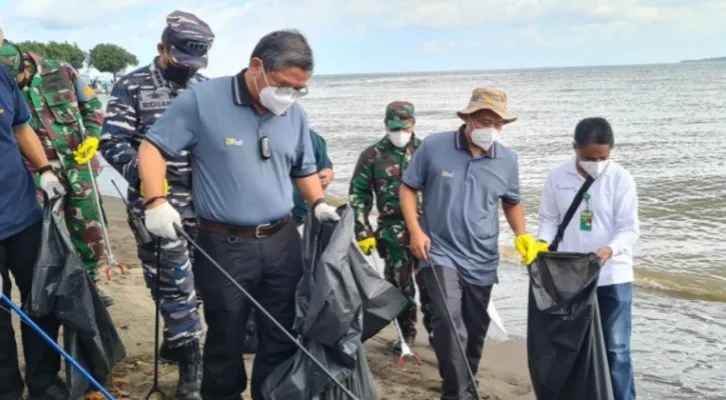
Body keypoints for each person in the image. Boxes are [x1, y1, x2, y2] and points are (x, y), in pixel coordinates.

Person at [137, 29, 340, 400]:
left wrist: (318, 203)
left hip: (282, 242)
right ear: (256, 66)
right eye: (283, 85)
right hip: (225, 245)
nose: (290, 96)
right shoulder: (202, 100)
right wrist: (155, 201)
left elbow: (302, 169)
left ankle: (271, 394)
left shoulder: (293, 114)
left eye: (299, 89)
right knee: (225, 336)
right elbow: (152, 148)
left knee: (281, 333)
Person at [98, 10, 215, 399]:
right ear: (161, 49)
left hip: (205, 203)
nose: (187, 70)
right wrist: (151, 183)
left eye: (194, 63)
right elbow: (112, 143)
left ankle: (181, 342)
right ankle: (191, 372)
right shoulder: (131, 87)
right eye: (180, 60)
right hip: (156, 205)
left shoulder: (205, 88)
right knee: (171, 285)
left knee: (200, 285)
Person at [399, 87, 543, 400]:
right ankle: (456, 393)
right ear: (468, 118)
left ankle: (466, 382)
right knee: (449, 323)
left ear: (503, 126)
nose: (489, 127)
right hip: (438, 251)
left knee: (475, 331)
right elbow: (408, 188)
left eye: (496, 122)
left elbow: (512, 202)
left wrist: (522, 235)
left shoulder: (507, 159)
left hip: (482, 257)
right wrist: (415, 230)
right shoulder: (434, 147)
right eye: (483, 120)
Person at [0, 38, 114, 306]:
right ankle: (63, 290)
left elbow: (93, 107)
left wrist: (93, 138)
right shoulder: (6, 82)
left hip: (79, 166)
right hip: (37, 173)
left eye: (18, 77)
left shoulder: (62, 71)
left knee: (90, 230)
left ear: (25, 63)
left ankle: (91, 286)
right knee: (50, 235)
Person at [537, 117, 639, 400]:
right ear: (575, 148)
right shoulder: (557, 177)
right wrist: (541, 244)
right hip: (570, 277)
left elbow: (629, 229)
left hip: (612, 276)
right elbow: (548, 219)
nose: (597, 162)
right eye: (590, 157)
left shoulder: (621, 179)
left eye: (604, 157)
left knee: (615, 348)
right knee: (572, 346)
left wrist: (610, 249)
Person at [0, 40, 69, 398]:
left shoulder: (3, 76)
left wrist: (44, 169)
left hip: (21, 211)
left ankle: (43, 381)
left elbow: (21, 127)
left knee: (41, 297)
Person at [348, 100, 432, 349]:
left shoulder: (427, 151)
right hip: (393, 232)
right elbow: (359, 196)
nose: (400, 133)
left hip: (429, 230)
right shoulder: (372, 155)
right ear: (385, 126)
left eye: (404, 127)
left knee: (432, 285)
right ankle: (405, 333)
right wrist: (362, 231)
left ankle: (438, 332)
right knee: (400, 287)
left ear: (414, 124)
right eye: (394, 128)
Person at [291, 128, 334, 225]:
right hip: (260, 220)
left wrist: (326, 175)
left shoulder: (309, 136)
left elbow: (326, 167)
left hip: (300, 218)